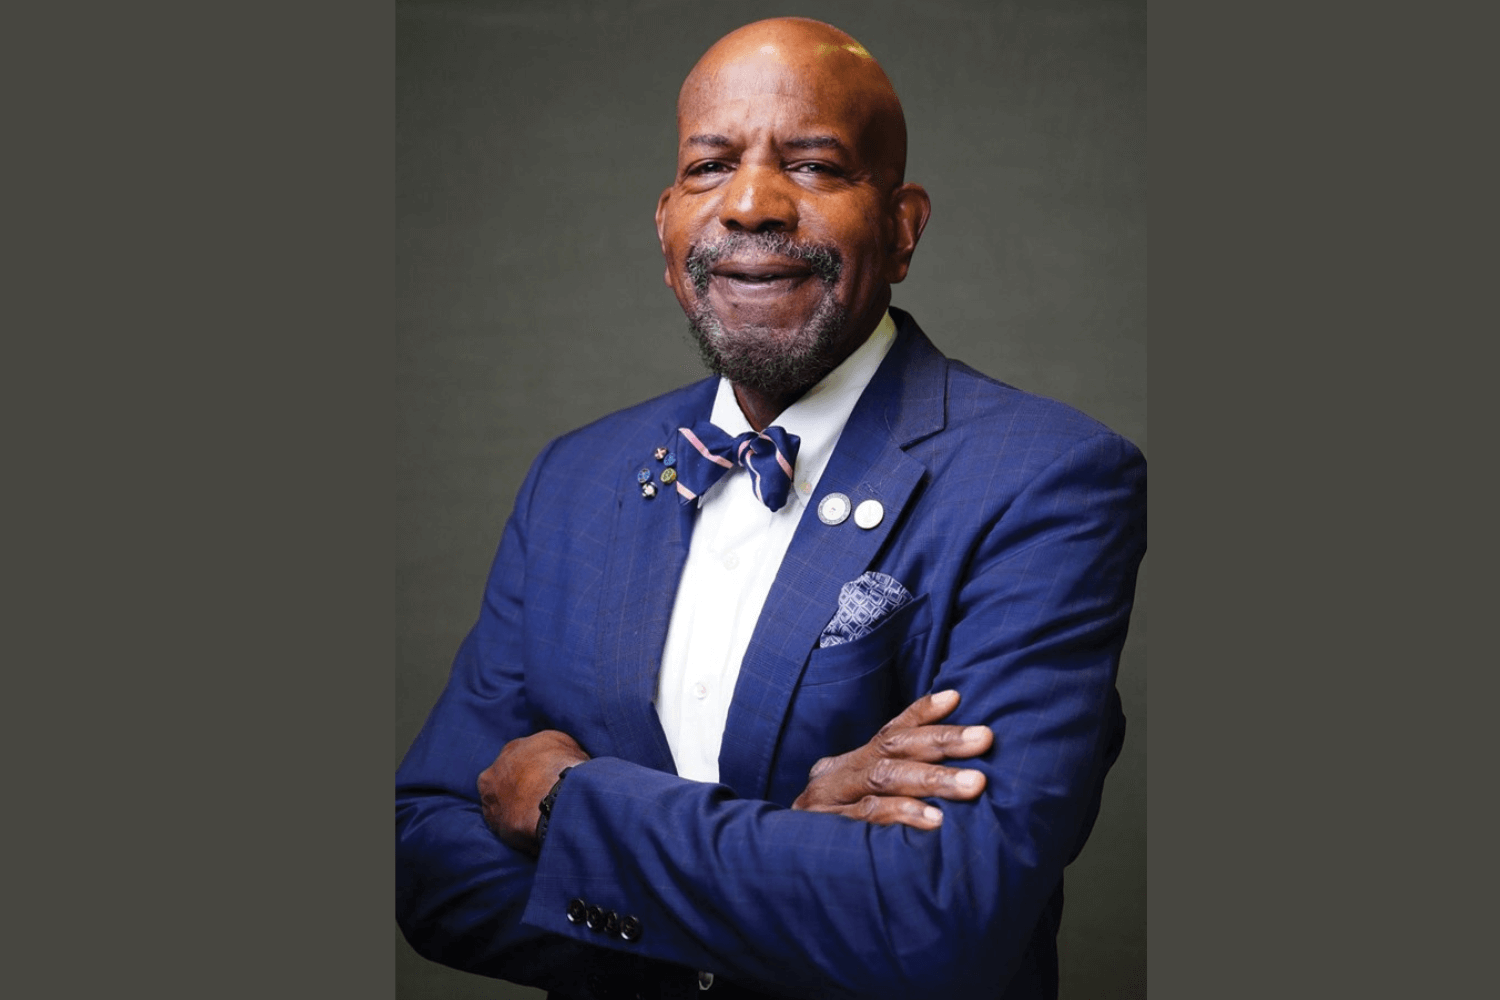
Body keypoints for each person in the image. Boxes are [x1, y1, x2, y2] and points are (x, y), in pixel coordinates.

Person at [396, 16, 1146, 1000]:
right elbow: (426, 857)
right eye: (710, 167)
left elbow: (942, 915)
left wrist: (569, 801)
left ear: (904, 225)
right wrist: (787, 847)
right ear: (665, 227)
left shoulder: (1048, 478)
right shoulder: (575, 478)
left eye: (815, 164)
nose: (751, 203)